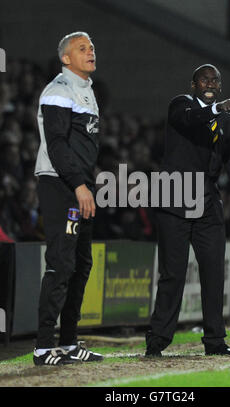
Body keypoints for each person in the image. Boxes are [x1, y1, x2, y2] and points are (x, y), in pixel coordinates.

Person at [145, 64, 230, 357]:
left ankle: (215, 341)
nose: (210, 82)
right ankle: (157, 340)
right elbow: (190, 120)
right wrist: (216, 109)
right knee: (173, 273)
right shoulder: (180, 105)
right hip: (174, 194)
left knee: (213, 271)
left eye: (215, 80)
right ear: (193, 84)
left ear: (220, 86)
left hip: (208, 199)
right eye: (204, 79)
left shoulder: (227, 120)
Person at [33, 32, 103, 365]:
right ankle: (44, 346)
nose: (90, 52)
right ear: (65, 58)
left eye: (91, 47)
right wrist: (78, 185)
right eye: (82, 48)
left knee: (81, 265)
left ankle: (70, 342)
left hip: (80, 185)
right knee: (61, 262)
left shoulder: (87, 92)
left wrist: (86, 184)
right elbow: (58, 145)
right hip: (59, 184)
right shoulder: (58, 91)